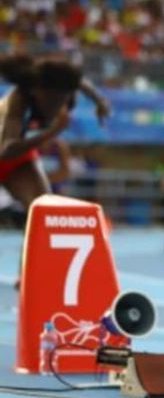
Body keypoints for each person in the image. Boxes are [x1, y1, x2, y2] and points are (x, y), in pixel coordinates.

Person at [0, 55, 111, 287]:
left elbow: (82, 83)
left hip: (18, 161)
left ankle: (27, 277)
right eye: (51, 99)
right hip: (8, 149)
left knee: (42, 209)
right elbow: (7, 150)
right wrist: (53, 132)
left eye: (62, 98)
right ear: (38, 90)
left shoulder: (66, 91)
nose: (55, 105)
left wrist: (100, 103)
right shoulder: (19, 101)